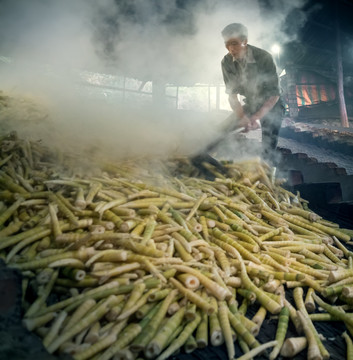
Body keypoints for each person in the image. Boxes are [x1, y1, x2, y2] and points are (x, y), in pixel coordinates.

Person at [221, 23, 284, 163]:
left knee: (268, 143)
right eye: (227, 44)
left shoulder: (264, 57)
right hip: (251, 102)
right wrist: (242, 117)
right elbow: (232, 96)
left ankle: (266, 172)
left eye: (234, 43)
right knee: (222, 129)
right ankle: (216, 160)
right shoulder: (226, 62)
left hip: (273, 103)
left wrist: (255, 117)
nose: (231, 49)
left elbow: (274, 95)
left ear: (245, 41)